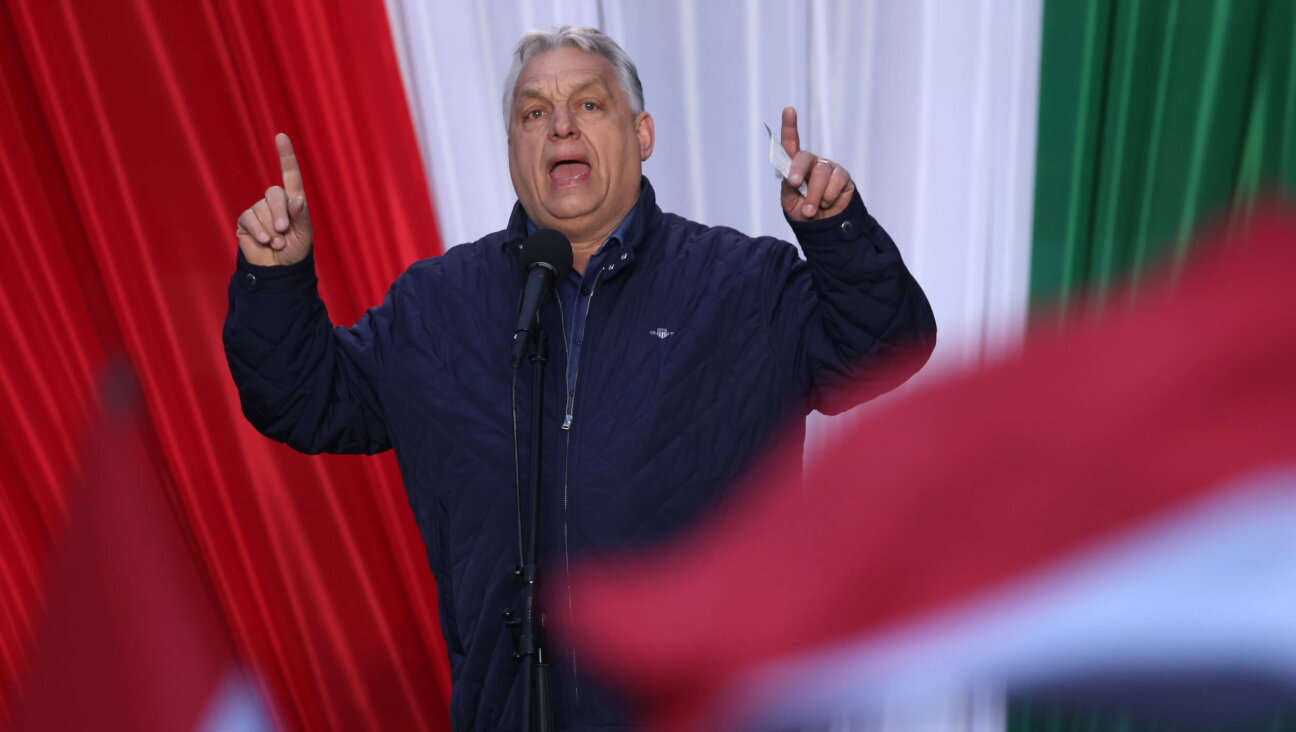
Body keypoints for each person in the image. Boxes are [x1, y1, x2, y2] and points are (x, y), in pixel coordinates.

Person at [224, 25, 936, 732]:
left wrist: (839, 232)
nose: (560, 123)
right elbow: (305, 399)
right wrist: (275, 280)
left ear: (643, 132)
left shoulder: (742, 284)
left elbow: (883, 348)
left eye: (589, 105)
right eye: (534, 113)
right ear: (512, 150)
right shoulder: (438, 305)